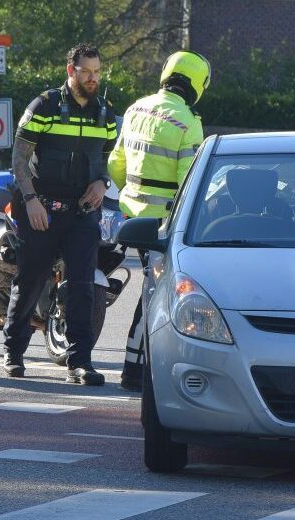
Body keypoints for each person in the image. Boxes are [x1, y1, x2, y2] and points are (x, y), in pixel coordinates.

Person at [3, 43, 118, 386]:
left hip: (82, 212)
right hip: (41, 207)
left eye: (97, 71)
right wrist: (31, 200)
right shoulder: (45, 105)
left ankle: (80, 362)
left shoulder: (105, 113)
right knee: (31, 280)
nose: (92, 78)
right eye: (86, 72)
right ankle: (13, 352)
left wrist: (102, 182)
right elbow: (19, 161)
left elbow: (109, 160)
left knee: (83, 285)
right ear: (70, 71)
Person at [107, 50, 210, 391]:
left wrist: (131, 193)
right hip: (162, 225)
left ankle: (135, 369)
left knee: (149, 293)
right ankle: (133, 372)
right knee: (153, 296)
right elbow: (188, 182)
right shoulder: (188, 123)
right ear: (198, 84)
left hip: (130, 215)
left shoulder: (135, 109)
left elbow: (115, 164)